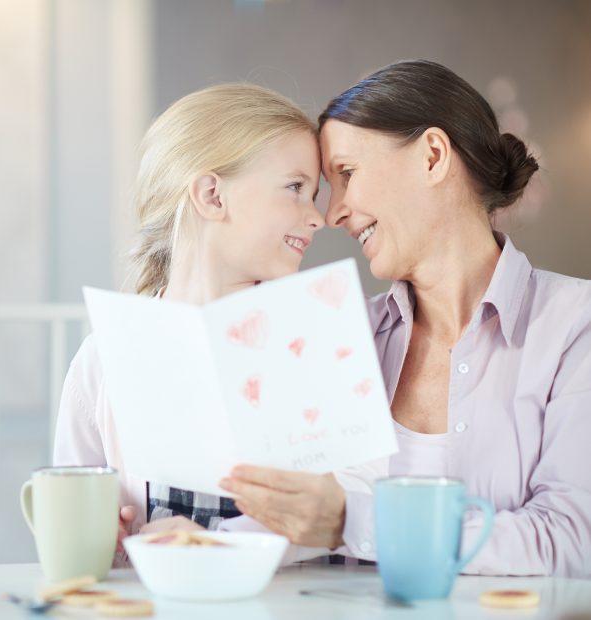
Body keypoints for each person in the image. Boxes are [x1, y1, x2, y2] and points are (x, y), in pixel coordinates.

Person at [219, 60, 591, 577]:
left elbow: (570, 541)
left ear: (433, 156)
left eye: (346, 174)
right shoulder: (342, 337)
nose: (333, 214)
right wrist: (190, 543)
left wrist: (352, 520)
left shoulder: (576, 327)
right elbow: (296, 513)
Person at [52, 83, 325, 559]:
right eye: (295, 188)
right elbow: (70, 518)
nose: (317, 218)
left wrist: (214, 545)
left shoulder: (311, 349)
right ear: (212, 195)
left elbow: (342, 515)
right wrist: (98, 533)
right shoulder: (104, 360)